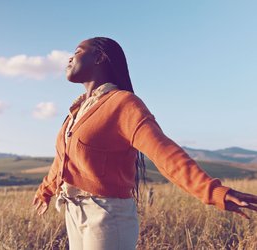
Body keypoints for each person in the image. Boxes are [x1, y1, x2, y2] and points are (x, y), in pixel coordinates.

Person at [33, 37, 257, 250]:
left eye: (78, 52)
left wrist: (212, 191)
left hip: (106, 216)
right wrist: (46, 190)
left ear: (99, 57)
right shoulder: (77, 111)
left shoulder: (123, 104)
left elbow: (164, 152)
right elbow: (62, 159)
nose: (69, 58)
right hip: (73, 210)